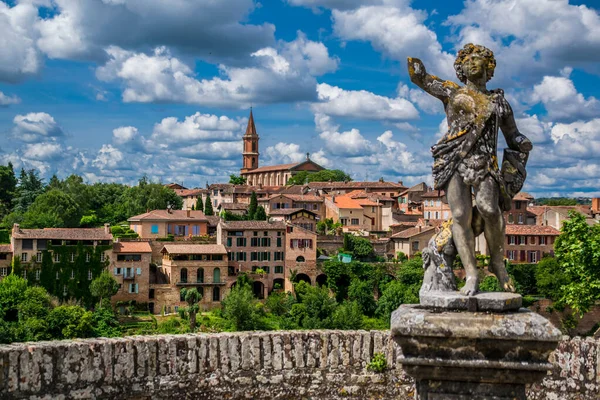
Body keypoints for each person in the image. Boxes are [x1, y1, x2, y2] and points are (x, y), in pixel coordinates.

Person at [407, 43, 532, 295]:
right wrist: (415, 68)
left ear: (489, 68)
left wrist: (522, 143)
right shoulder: (452, 93)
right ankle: (471, 274)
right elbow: (425, 80)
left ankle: (497, 262)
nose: (474, 64)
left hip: (485, 162)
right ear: (460, 68)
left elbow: (512, 135)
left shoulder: (499, 103)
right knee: (461, 215)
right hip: (453, 159)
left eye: (479, 61)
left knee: (488, 208)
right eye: (468, 60)